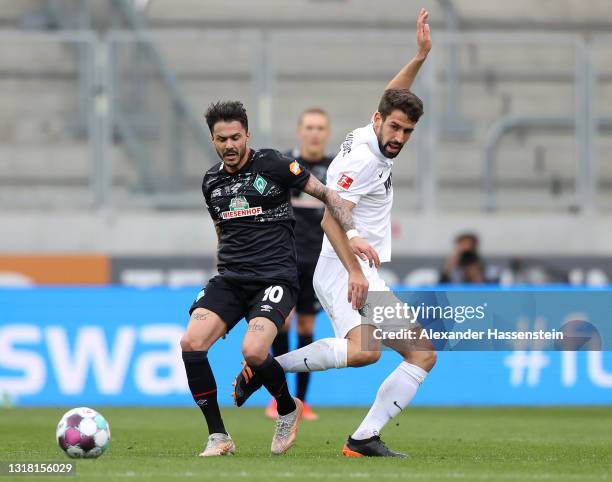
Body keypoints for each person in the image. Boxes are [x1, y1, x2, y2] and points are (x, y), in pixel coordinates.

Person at [233, 8, 436, 458]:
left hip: (350, 262)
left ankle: (268, 369)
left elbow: (393, 94)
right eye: (395, 127)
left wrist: (419, 56)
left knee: (368, 351)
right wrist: (355, 271)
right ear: (378, 120)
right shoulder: (363, 162)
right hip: (343, 264)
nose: (399, 137)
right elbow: (329, 217)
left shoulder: (372, 132)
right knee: (420, 353)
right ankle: (361, 438)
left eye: (408, 131)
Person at [180, 100, 378, 457]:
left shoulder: (273, 164)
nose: (229, 145)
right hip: (230, 280)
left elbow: (328, 195)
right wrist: (218, 291)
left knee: (254, 351)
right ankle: (218, 437)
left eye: (235, 137)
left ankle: (287, 409)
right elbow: (221, 234)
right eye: (222, 138)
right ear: (213, 140)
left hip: (275, 278)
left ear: (247, 135)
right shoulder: (211, 181)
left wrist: (351, 236)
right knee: (191, 344)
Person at [267, 108, 334, 421]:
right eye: (309, 126)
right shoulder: (285, 164)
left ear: (327, 132)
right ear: (300, 130)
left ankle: (302, 402)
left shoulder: (336, 168)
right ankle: (278, 400)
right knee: (282, 323)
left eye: (320, 127)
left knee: (307, 326)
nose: (314, 133)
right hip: (284, 258)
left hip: (318, 261)